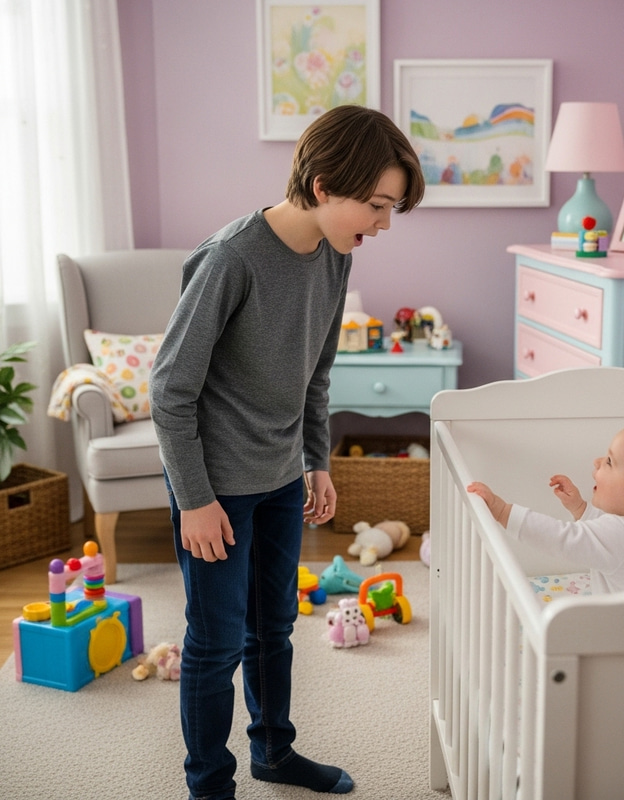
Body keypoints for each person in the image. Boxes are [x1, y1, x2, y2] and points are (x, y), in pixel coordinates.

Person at [149, 105, 425, 800]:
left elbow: (316, 374)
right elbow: (170, 391)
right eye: (378, 205)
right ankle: (209, 784)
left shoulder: (335, 256)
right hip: (213, 485)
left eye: (391, 208)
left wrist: (317, 459)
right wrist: (195, 501)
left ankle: (274, 752)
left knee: (273, 627)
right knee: (213, 645)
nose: (384, 223)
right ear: (327, 184)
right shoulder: (231, 258)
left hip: (278, 475)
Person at [468, 420, 624, 594]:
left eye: (609, 462)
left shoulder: (621, 537)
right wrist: (580, 508)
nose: (597, 462)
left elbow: (562, 538)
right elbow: (608, 536)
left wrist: (503, 512)